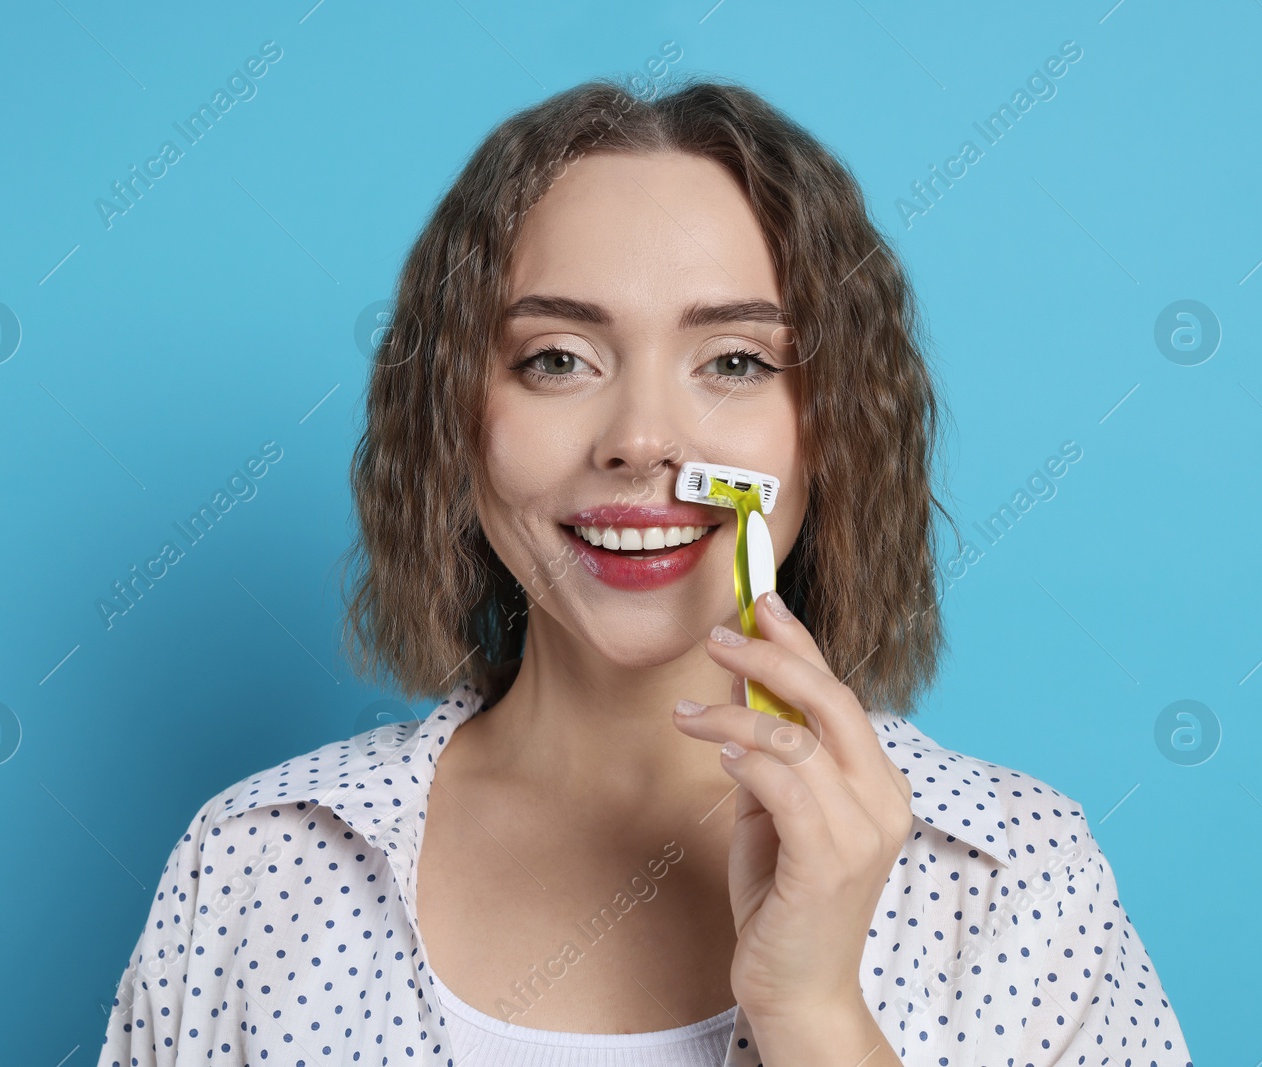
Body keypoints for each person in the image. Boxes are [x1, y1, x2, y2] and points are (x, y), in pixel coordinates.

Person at [98, 76, 1193, 1066]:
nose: (640, 440)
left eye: (733, 361)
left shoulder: (1013, 880)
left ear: (830, 434)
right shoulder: (255, 868)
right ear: (456, 423)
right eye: (556, 359)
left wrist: (814, 1011)